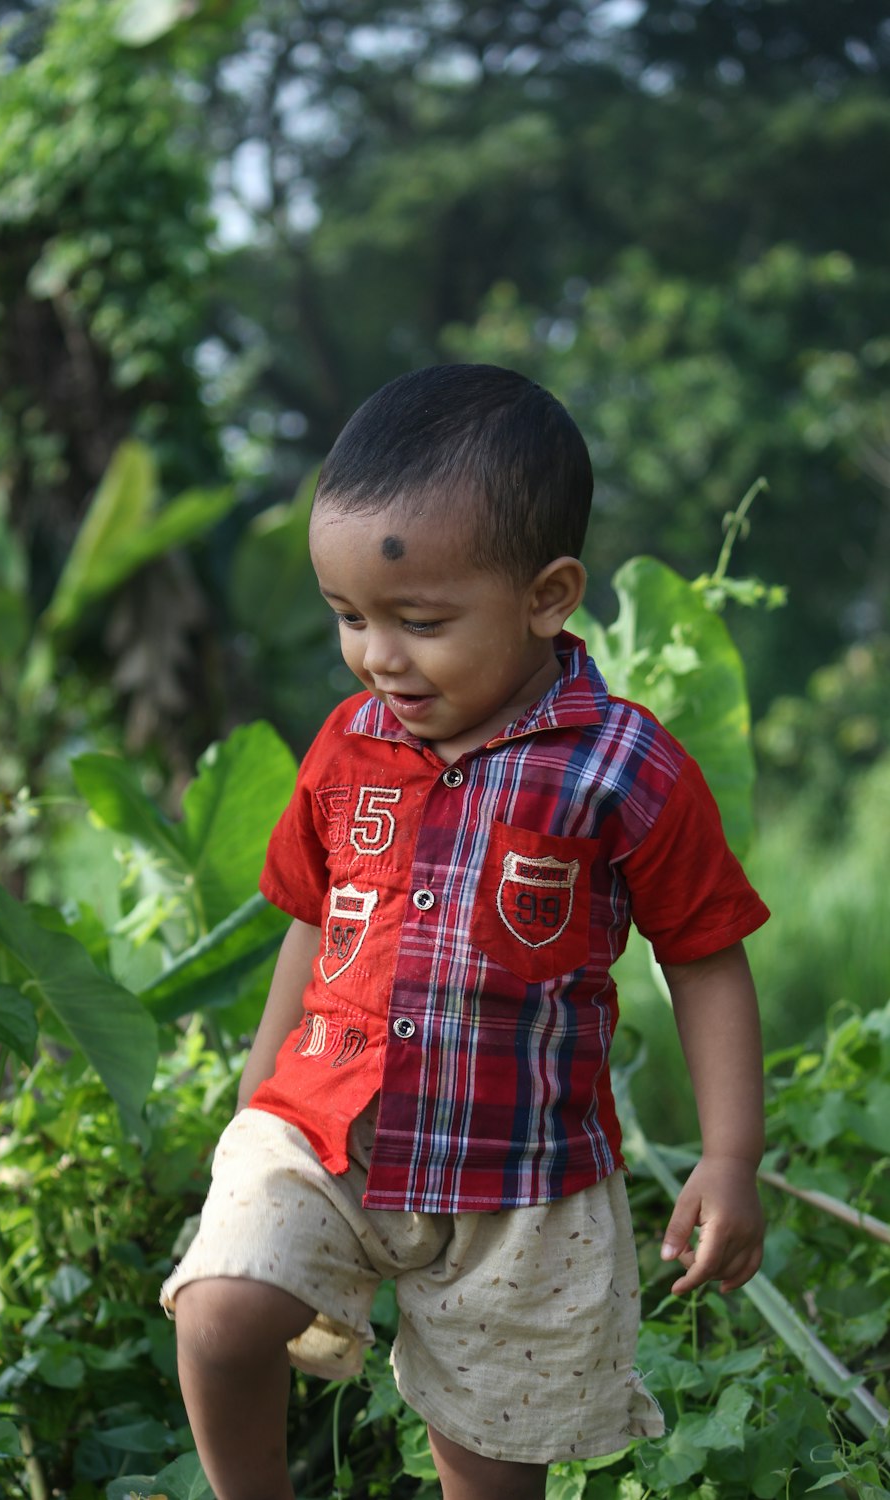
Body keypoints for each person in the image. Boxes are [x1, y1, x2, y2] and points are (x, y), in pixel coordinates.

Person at [161, 364, 769, 1500]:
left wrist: (730, 1160)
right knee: (220, 1310)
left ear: (548, 596)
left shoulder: (620, 769)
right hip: (326, 1127)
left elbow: (703, 956)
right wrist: (254, 1110)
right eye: (349, 618)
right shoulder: (347, 743)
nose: (378, 657)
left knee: (487, 1475)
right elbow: (312, 921)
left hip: (522, 1184)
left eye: (419, 621)